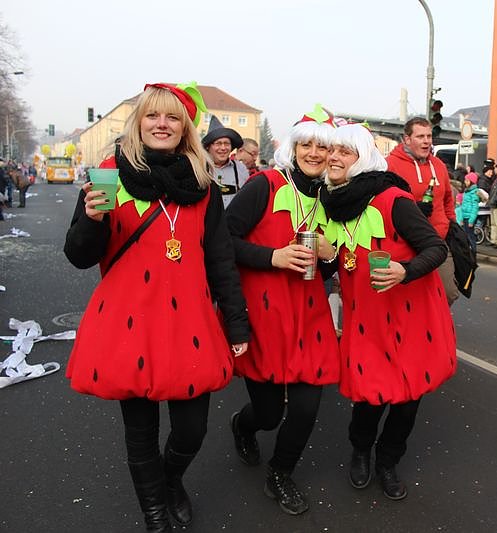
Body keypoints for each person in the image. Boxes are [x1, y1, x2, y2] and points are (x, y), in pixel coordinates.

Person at [63, 82, 250, 532]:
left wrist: (238, 324)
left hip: (191, 318)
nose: (161, 124)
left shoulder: (204, 185)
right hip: (128, 319)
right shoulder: (110, 174)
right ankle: (153, 514)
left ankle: (169, 481)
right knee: (140, 430)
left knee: (192, 430)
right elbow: (79, 255)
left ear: (184, 127)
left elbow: (220, 258)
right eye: (152, 116)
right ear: (139, 123)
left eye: (171, 117)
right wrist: (91, 220)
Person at [320, 123, 456, 501]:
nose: (333, 157)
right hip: (366, 319)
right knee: (367, 395)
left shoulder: (393, 199)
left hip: (411, 317)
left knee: (407, 397)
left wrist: (405, 270)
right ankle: (361, 451)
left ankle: (388, 461)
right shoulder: (332, 203)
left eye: (344, 152)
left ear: (361, 158)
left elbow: (434, 247)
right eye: (332, 150)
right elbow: (336, 263)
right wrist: (323, 255)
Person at [224, 105, 339, 516]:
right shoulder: (264, 185)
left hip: (310, 314)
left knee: (307, 407)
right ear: (293, 147)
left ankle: (280, 473)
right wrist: (271, 257)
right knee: (270, 413)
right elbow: (223, 241)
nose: (314, 153)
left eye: (322, 147)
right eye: (306, 144)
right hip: (264, 314)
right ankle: (244, 423)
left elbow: (333, 262)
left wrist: (330, 257)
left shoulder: (331, 196)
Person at [386, 117, 459, 305]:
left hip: (438, 241)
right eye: (420, 136)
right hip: (405, 244)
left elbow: (447, 198)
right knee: (408, 296)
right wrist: (414, 209)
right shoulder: (390, 165)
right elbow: (383, 203)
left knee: (448, 293)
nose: (426, 141)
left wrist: (452, 223)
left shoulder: (439, 165)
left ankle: (434, 328)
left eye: (429, 136)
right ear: (407, 139)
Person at [203, 115, 249, 208]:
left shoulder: (241, 169)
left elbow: (247, 199)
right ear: (208, 147)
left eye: (227, 143)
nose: (223, 148)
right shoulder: (200, 168)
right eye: (218, 144)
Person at [459, 171, 481, 251]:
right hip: (465, 216)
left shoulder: (474, 192)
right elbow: (463, 206)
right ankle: (467, 251)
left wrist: (471, 220)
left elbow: (475, 208)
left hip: (469, 218)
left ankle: (473, 252)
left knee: (470, 236)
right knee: (465, 236)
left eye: (467, 180)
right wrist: (461, 218)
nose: (465, 182)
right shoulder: (466, 191)